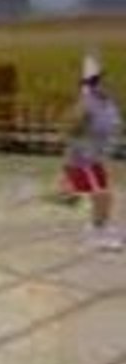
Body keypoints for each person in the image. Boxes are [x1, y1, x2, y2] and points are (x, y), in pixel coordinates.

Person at [61, 56, 123, 250]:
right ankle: (96, 235)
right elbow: (69, 127)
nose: (108, 84)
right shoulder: (86, 104)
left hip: (97, 158)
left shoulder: (109, 104)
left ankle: (100, 227)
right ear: (94, 85)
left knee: (105, 195)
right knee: (102, 195)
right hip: (83, 159)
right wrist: (78, 141)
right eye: (102, 81)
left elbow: (114, 127)